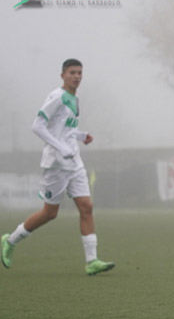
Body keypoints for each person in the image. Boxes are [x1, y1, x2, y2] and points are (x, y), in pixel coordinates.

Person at [1, 59, 115, 276]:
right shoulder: (57, 96)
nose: (77, 76)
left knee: (86, 206)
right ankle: (10, 240)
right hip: (56, 164)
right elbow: (37, 126)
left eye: (79, 72)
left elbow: (64, 129)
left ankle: (92, 261)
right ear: (62, 75)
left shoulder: (74, 98)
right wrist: (61, 147)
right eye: (72, 72)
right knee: (49, 213)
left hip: (74, 162)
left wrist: (81, 136)